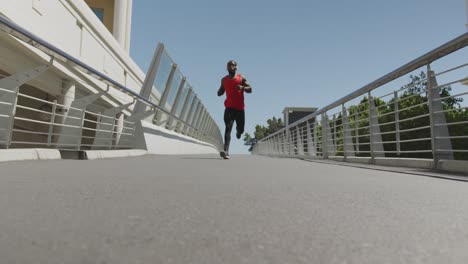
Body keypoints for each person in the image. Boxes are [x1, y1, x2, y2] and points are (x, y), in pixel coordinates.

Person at [217, 60, 252, 159]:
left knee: (241, 129)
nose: (232, 67)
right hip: (229, 108)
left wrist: (242, 87)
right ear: (227, 68)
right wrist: (219, 92)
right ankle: (226, 151)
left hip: (240, 109)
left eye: (233, 65)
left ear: (236, 67)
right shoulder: (224, 80)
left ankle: (238, 131)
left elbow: (250, 89)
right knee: (228, 128)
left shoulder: (241, 78)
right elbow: (221, 90)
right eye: (230, 65)